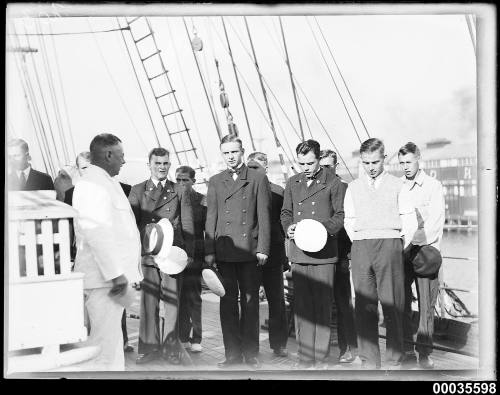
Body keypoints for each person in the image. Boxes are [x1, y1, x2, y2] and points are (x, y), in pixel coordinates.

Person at [343, 138, 417, 369]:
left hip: (390, 245)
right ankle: (369, 360)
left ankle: (395, 358)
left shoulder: (398, 185)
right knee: (364, 305)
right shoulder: (353, 187)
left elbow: (409, 220)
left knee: (393, 303)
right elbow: (349, 220)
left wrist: (397, 244)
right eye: (366, 163)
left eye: (375, 162)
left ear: (384, 158)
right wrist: (360, 240)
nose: (371, 167)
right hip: (361, 245)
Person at [72, 133, 141, 370]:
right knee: (103, 348)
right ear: (108, 154)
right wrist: (116, 275)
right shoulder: (91, 184)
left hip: (111, 280)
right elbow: (96, 233)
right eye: (121, 156)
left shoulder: (105, 182)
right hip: (105, 280)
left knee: (111, 346)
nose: (124, 161)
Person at [205, 134, 272, 369]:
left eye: (234, 152)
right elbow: (211, 217)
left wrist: (263, 248)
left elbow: (264, 217)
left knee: (251, 303)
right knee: (228, 303)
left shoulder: (257, 178)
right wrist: (209, 251)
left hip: (249, 251)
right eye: (226, 153)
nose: (230, 157)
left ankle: (251, 353)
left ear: (242, 151)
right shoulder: (215, 181)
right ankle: (232, 353)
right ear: (222, 154)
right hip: (225, 251)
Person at [281, 139, 345, 369]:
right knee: (303, 307)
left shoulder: (333, 182)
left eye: (310, 163)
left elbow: (340, 216)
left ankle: (322, 357)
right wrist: (288, 227)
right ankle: (306, 357)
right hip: (299, 253)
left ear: (319, 159)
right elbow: (286, 212)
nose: (305, 167)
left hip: (324, 253)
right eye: (301, 163)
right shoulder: (292, 182)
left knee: (322, 306)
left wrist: (319, 230)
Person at [128, 148, 195, 365]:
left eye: (166, 163)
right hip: (148, 255)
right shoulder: (137, 190)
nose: (162, 167)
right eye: (158, 163)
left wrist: (189, 253)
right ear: (149, 164)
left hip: (173, 256)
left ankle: (171, 350)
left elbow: (187, 224)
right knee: (149, 303)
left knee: (173, 304)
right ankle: (148, 349)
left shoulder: (180, 190)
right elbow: (131, 226)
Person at [65, 151, 134, 353]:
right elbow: (95, 234)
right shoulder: (82, 190)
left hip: (110, 269)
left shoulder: (119, 189)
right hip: (98, 271)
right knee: (103, 341)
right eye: (84, 168)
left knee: (109, 337)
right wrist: (116, 274)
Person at [399, 142, 445, 370]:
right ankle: (407, 348)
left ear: (418, 159)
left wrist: (415, 235)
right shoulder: (399, 187)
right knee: (403, 302)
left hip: (425, 253)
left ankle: (424, 353)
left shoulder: (433, 186)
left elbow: (435, 222)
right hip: (404, 254)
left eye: (408, 162)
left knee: (427, 305)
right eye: (401, 163)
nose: (405, 167)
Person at [246, 152, 289, 358]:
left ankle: (279, 344)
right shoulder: (243, 189)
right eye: (250, 167)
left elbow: (284, 225)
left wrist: (285, 257)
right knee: (249, 302)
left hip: (273, 254)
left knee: (277, 301)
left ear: (265, 168)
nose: (252, 171)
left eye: (256, 168)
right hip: (249, 255)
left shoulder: (279, 192)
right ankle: (251, 347)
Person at [319, 149, 358, 364]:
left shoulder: (345, 189)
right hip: (319, 255)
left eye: (328, 166)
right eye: (321, 166)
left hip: (340, 254)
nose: (324, 170)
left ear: (336, 166)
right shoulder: (316, 189)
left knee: (344, 303)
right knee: (322, 303)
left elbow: (349, 222)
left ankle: (348, 348)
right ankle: (321, 349)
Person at [176, 165, 206, 354]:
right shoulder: (172, 197)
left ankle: (196, 338)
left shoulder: (202, 201)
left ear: (193, 181)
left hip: (195, 256)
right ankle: (182, 336)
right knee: (179, 298)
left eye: (185, 180)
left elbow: (207, 230)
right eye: (178, 179)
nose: (180, 183)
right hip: (176, 256)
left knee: (194, 298)